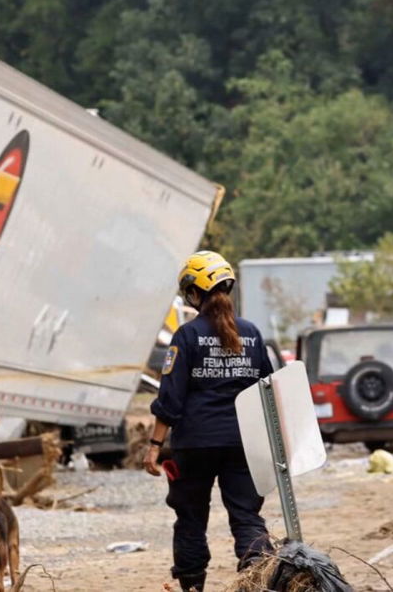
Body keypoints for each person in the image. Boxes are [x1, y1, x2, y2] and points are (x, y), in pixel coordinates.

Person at [144, 250, 274, 592]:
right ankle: (259, 582)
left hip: (194, 444)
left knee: (190, 520)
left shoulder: (186, 336)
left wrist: (154, 446)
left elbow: (170, 399)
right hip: (243, 444)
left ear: (195, 293)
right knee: (247, 518)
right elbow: (270, 390)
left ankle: (192, 587)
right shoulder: (252, 334)